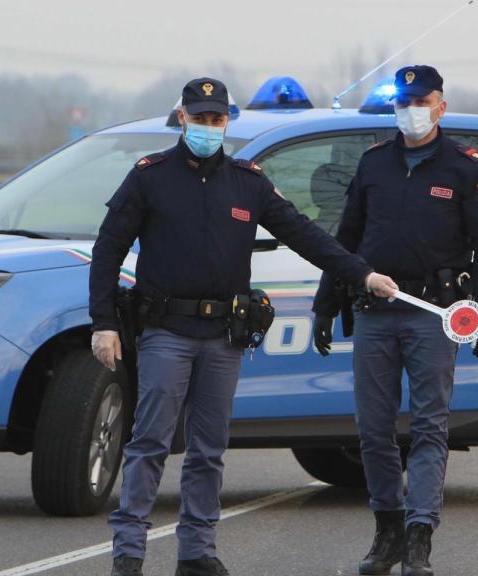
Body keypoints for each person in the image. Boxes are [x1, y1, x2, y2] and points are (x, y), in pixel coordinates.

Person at [89, 77, 397, 576]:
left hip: (223, 336)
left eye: (218, 118)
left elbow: (305, 234)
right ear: (182, 117)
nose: (210, 126)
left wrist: (360, 272)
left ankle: (197, 551)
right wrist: (103, 322)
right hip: (166, 330)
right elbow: (108, 249)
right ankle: (129, 552)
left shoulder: (247, 182)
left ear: (227, 120)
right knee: (150, 442)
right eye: (200, 117)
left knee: (209, 450)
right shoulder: (150, 177)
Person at [311, 65, 478, 576]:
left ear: (440, 105)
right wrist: (325, 305)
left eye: (420, 101)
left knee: (428, 427)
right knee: (373, 431)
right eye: (403, 102)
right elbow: (345, 240)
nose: (410, 111)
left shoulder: (466, 166)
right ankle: (388, 529)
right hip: (375, 312)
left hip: (435, 315)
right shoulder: (374, 162)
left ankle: (420, 535)